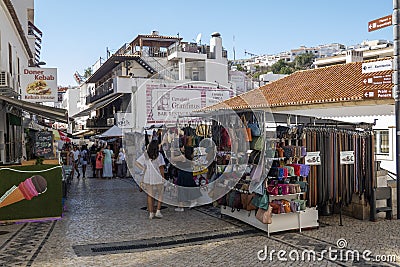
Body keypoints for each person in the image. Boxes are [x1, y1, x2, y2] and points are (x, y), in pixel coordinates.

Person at [135, 140, 165, 219]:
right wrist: (163, 177)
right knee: (160, 194)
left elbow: (137, 162)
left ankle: (151, 213)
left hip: (148, 176)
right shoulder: (159, 155)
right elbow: (161, 168)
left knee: (150, 195)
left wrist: (144, 168)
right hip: (157, 176)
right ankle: (158, 211)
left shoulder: (146, 155)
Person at [172, 144, 202, 212]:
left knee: (181, 188)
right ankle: (193, 200)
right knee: (190, 185)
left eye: (183, 147)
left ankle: (181, 206)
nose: (181, 147)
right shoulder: (190, 156)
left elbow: (172, 159)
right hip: (188, 172)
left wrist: (172, 152)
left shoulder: (182, 156)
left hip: (183, 173)